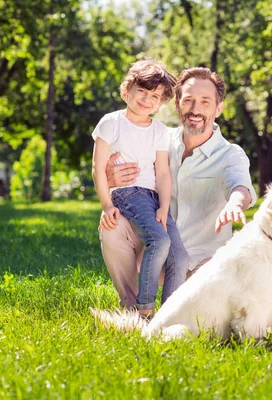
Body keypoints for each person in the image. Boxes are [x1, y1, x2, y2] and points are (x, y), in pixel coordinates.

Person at [98, 67, 257, 309]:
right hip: (155, 254)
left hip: (202, 263)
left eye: (205, 102)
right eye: (189, 100)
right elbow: (127, 182)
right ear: (177, 105)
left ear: (218, 108)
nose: (195, 109)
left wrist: (236, 203)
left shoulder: (230, 154)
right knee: (113, 225)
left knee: (201, 315)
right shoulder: (157, 138)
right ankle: (132, 307)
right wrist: (110, 180)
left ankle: (172, 309)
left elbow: (240, 185)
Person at [91, 59, 187, 318]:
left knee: (180, 257)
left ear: (161, 103)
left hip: (154, 197)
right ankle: (144, 310)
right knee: (159, 240)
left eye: (155, 96)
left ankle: (168, 316)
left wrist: (164, 207)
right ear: (127, 89)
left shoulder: (159, 131)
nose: (147, 100)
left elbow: (163, 172)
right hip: (129, 193)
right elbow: (98, 168)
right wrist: (107, 204)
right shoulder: (111, 123)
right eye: (142, 91)